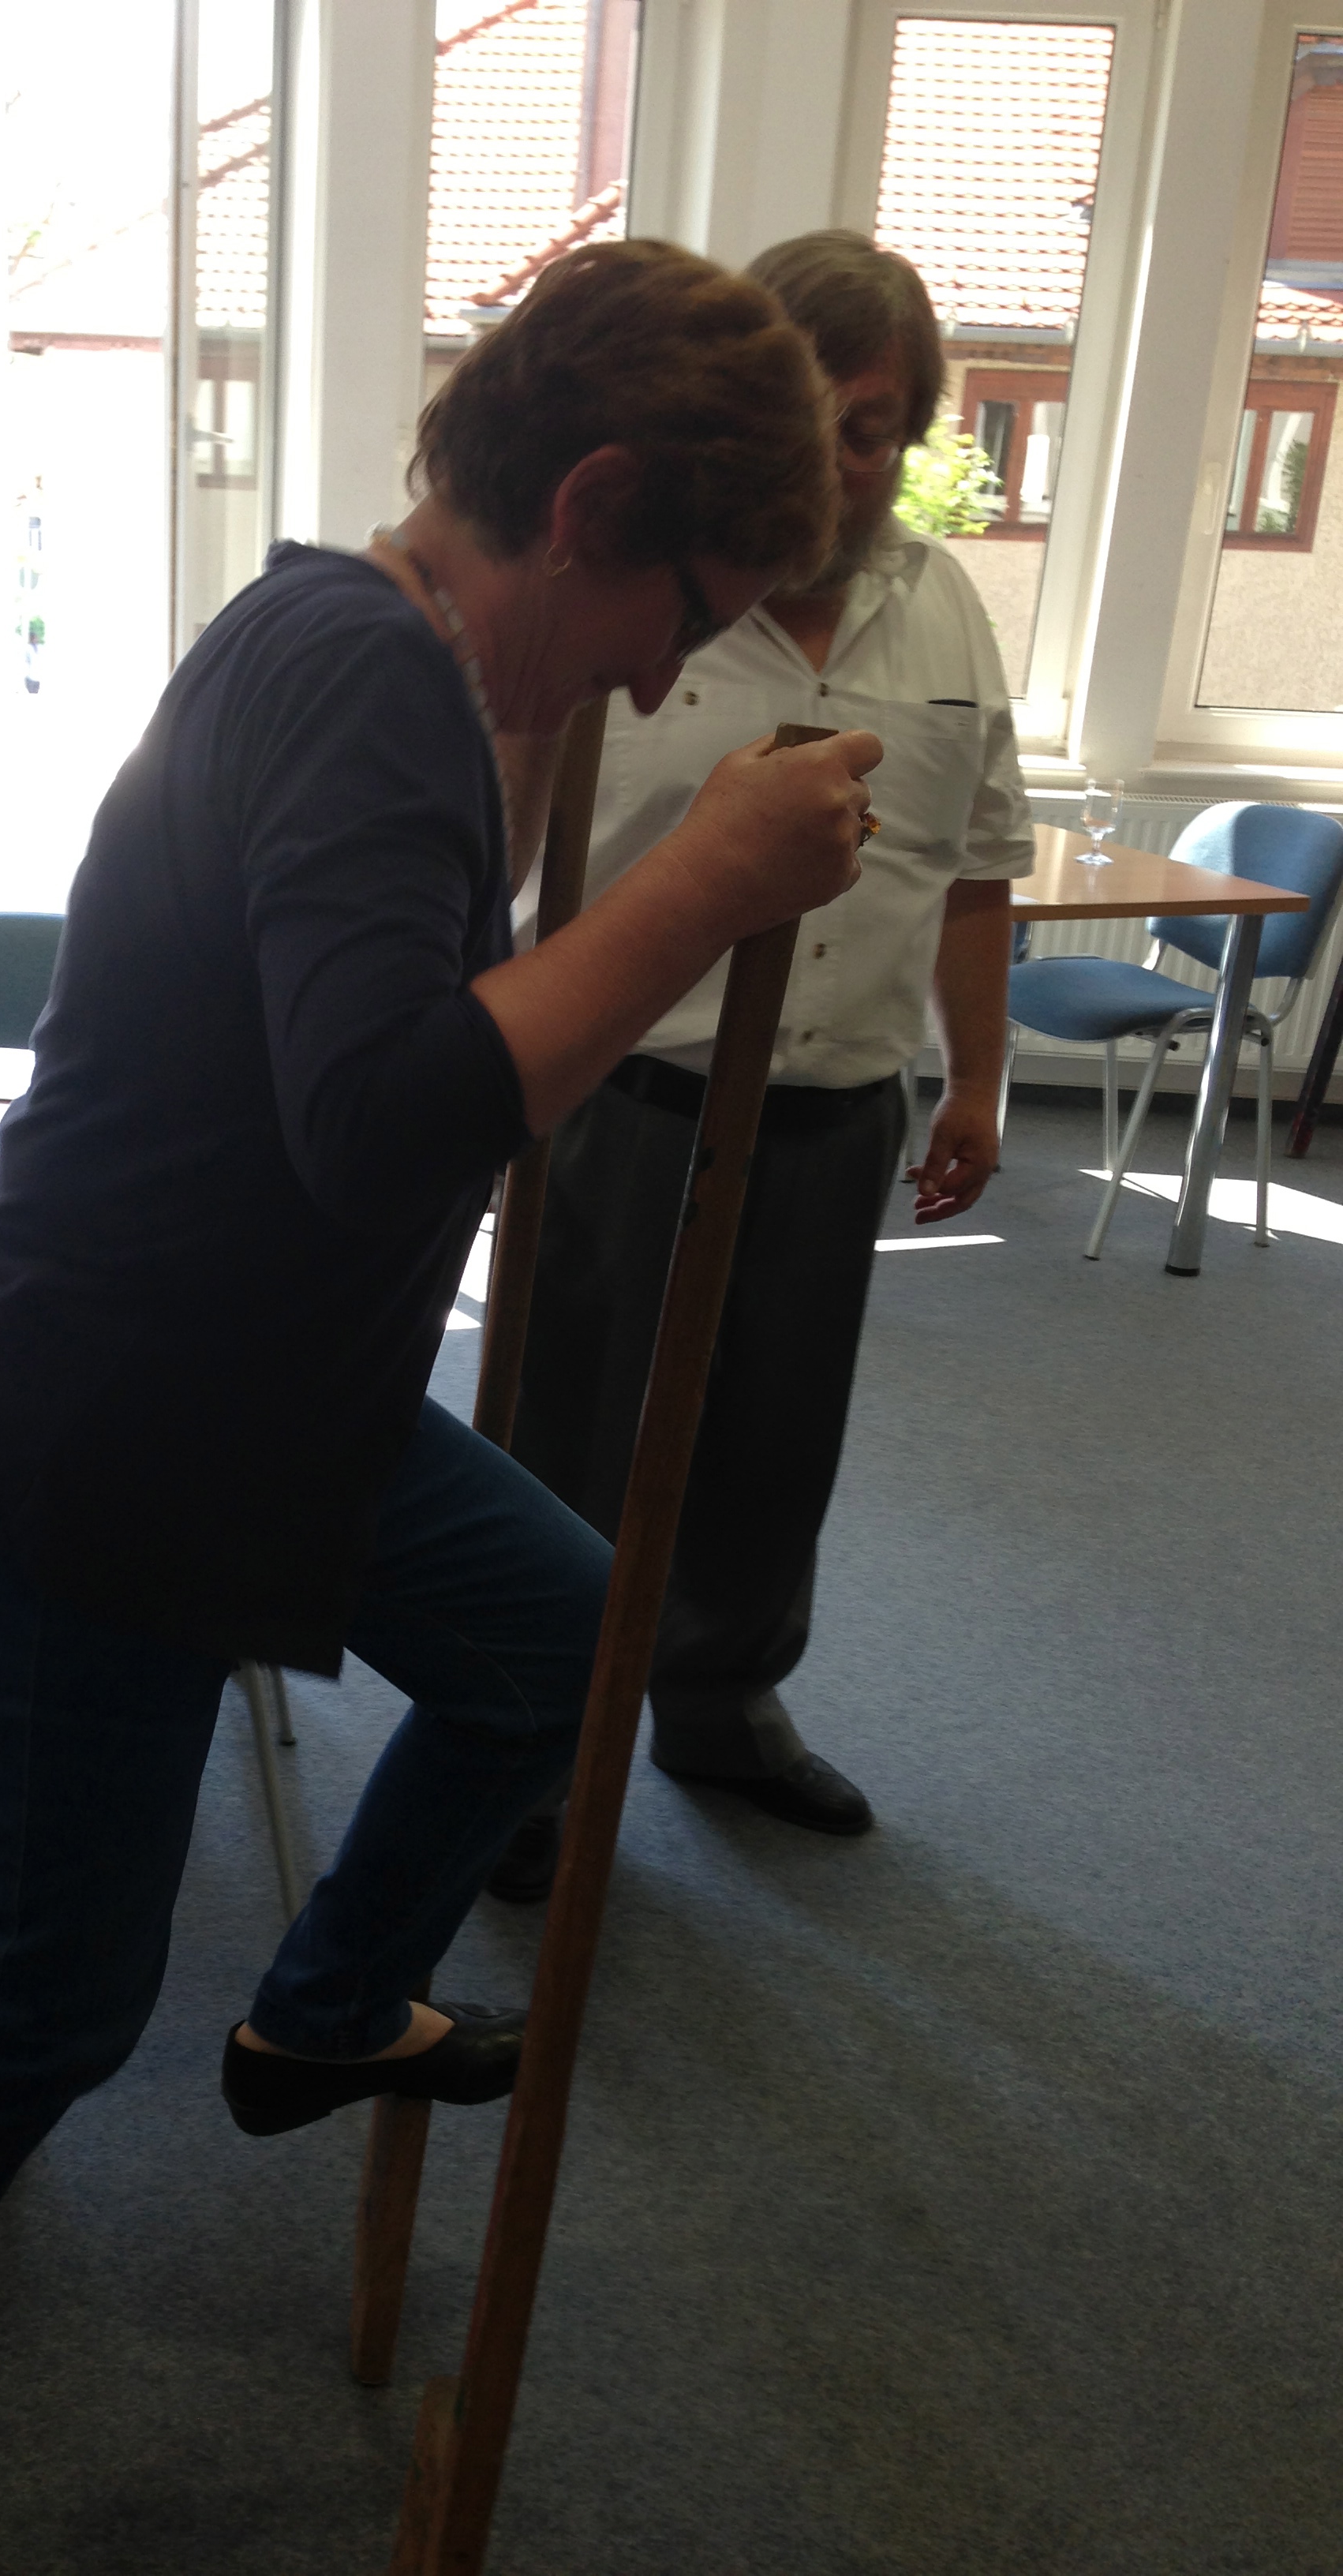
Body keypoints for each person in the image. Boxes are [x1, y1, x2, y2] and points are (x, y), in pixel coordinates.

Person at [0, 238, 879, 2576]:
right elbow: (385, 1124)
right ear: (588, 503)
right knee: (39, 2005)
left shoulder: (381, 654)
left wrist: (590, 814)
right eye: (679, 610)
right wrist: (702, 883)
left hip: (258, 1401)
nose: (662, 673)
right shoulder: (365, 683)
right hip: (100, 1442)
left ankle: (322, 2007)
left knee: (564, 1634)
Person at [488, 230, 1033, 1902]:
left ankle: (720, 1704)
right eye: (823, 420)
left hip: (835, 1113)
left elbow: (977, 864)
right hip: (630, 1099)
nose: (851, 463)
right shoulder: (647, 591)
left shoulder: (942, 608)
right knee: (570, 1438)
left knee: (772, 1445)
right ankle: (520, 1755)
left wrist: (977, 1079)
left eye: (881, 430)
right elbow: (508, 861)